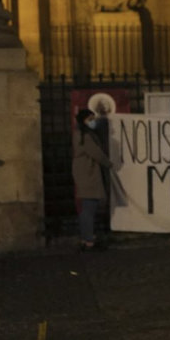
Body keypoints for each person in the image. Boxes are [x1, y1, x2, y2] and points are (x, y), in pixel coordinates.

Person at [72, 108, 113, 251]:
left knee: (87, 208)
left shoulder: (81, 134)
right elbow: (96, 153)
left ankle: (86, 238)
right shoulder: (85, 136)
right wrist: (109, 164)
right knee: (89, 208)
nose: (93, 122)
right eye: (90, 119)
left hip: (84, 173)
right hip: (88, 174)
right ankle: (89, 241)